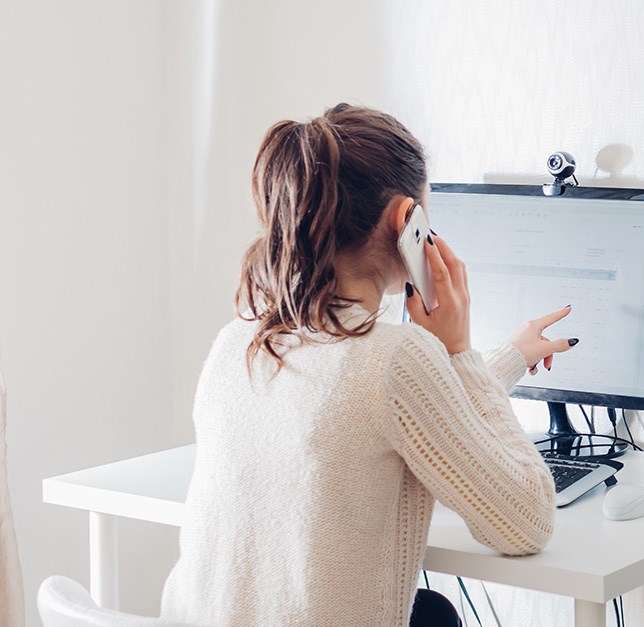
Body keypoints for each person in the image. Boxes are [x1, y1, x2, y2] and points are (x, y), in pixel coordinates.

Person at [160, 103, 573, 626]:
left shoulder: (237, 341)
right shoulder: (397, 357)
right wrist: (457, 352)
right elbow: (527, 521)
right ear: (407, 219)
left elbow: (384, 414)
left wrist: (510, 358)